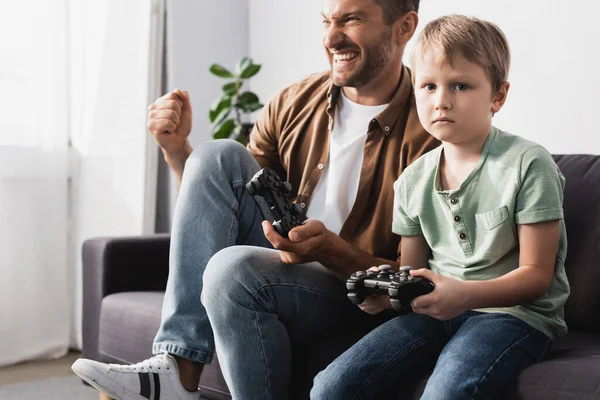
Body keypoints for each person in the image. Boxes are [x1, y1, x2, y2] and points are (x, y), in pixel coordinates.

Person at [71, 0, 439, 399]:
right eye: (327, 21)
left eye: (350, 20)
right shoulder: (297, 100)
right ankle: (178, 368)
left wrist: (332, 251)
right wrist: (177, 152)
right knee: (217, 155)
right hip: (284, 269)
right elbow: (227, 197)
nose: (332, 37)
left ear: (404, 27)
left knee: (231, 270)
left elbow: (414, 280)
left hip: (358, 296)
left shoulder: (433, 128)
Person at [308, 14, 571, 399]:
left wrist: (464, 294)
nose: (441, 100)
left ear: (498, 95)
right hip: (437, 314)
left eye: (460, 86)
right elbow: (414, 272)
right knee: (328, 389)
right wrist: (389, 294)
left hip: (515, 317)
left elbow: (536, 276)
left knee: (444, 393)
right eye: (428, 86)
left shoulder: (529, 164)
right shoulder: (412, 181)